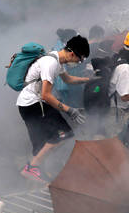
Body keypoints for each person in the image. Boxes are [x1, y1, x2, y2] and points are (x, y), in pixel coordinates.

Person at [17, 35, 92, 183]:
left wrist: (89, 80)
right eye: (81, 59)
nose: (80, 62)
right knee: (62, 134)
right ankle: (31, 168)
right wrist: (70, 110)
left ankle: (36, 172)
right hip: (33, 104)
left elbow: (68, 79)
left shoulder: (58, 61)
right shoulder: (51, 64)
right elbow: (46, 95)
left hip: (33, 104)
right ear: (72, 53)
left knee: (43, 143)